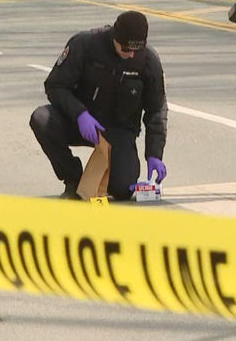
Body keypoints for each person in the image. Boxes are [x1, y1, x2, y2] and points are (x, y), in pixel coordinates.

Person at [30, 11, 168, 201]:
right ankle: (73, 178)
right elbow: (55, 86)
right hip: (82, 122)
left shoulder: (148, 61)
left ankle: (103, 178)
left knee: (122, 189)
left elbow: (156, 110)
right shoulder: (85, 45)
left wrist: (154, 154)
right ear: (115, 38)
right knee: (41, 119)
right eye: (126, 49)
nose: (131, 55)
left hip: (118, 130)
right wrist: (80, 114)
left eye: (136, 50)